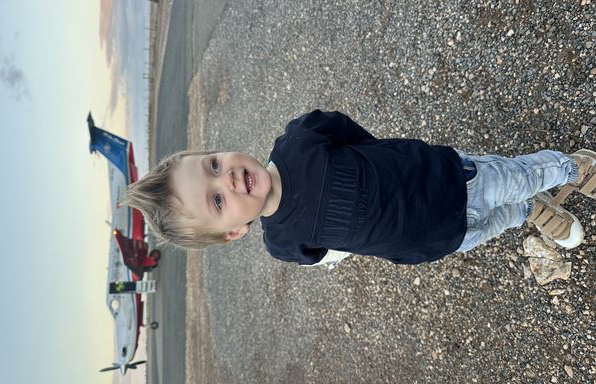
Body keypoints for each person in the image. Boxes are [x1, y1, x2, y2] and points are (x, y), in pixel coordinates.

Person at [124, 110, 596, 266]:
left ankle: (569, 169)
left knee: (515, 176)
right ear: (233, 232)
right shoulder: (283, 243)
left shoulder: (299, 141)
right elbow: (328, 252)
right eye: (217, 200)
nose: (224, 177)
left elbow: (350, 133)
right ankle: (529, 214)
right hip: (431, 241)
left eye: (212, 164)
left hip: (448, 178)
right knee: (492, 225)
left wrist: (386, 162)